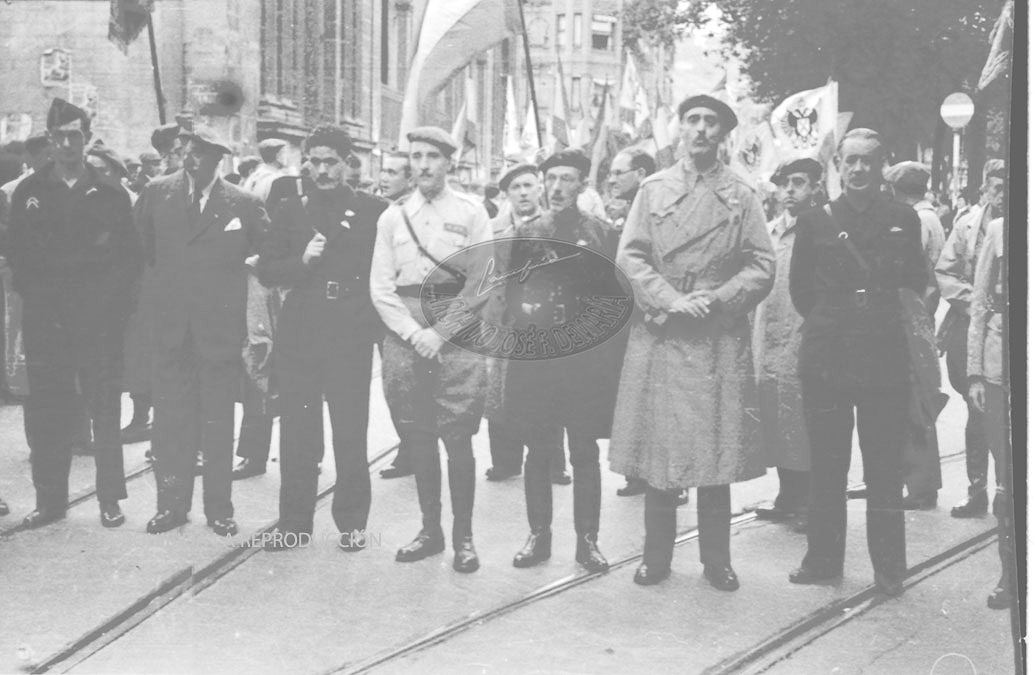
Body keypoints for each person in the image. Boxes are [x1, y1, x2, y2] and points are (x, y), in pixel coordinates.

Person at [610, 94, 774, 592]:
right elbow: (630, 257)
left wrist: (717, 299)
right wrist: (669, 299)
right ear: (680, 128)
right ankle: (656, 558)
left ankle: (716, 560)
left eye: (711, 122)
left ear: (723, 133)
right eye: (692, 120)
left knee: (715, 456)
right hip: (663, 333)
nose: (701, 129)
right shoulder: (652, 189)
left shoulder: (742, 195)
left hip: (716, 338)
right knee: (659, 453)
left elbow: (763, 264)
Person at [787, 128, 928, 597]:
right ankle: (823, 559)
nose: (859, 169)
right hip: (828, 356)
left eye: (868, 160)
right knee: (827, 465)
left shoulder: (903, 219)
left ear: (882, 165)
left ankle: (889, 568)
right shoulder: (814, 220)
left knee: (883, 468)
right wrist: (838, 319)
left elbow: (915, 281)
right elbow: (800, 290)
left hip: (884, 358)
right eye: (850, 161)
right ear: (838, 166)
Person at [7, 98, 143, 528]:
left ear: (87, 138)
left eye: (76, 136)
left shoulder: (110, 193)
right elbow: (20, 259)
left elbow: (128, 261)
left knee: (104, 408)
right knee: (48, 409)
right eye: (60, 136)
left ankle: (110, 499)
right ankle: (50, 500)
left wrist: (107, 309)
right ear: (49, 140)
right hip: (47, 319)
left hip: (97, 320)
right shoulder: (30, 192)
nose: (67, 144)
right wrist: (46, 301)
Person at [257, 125, 388, 550]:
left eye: (331, 162)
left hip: (349, 334)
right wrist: (301, 261)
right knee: (298, 432)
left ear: (350, 163)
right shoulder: (291, 209)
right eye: (313, 161)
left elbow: (382, 276)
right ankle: (293, 523)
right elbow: (268, 269)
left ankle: (351, 524)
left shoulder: (374, 211)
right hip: (302, 332)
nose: (321, 170)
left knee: (350, 430)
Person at [136, 125, 269, 537]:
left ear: (219, 159)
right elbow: (141, 251)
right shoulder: (158, 193)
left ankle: (219, 509)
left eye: (202, 154)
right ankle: (170, 507)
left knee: (216, 424)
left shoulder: (243, 203)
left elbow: (266, 251)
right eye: (187, 151)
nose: (191, 159)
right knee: (171, 425)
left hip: (218, 334)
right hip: (171, 331)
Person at [370, 126, 491, 573]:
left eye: (431, 157)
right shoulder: (392, 218)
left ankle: (464, 537)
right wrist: (411, 332)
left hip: (456, 336)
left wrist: (440, 333)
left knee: (457, 437)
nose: (422, 165)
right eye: (416, 156)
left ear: (448, 163)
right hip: (405, 337)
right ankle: (430, 530)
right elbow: (380, 287)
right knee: (417, 433)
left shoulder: (472, 213)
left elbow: (482, 283)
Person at [502, 149, 625, 573]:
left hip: (585, 362)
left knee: (584, 450)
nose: (556, 188)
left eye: (566, 180)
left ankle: (587, 540)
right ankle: (538, 535)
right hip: (539, 360)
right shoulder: (527, 233)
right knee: (537, 450)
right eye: (550, 178)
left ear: (582, 184)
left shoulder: (602, 234)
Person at [481, 163, 570, 487]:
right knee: (498, 391)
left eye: (529, 186)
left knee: (548, 391)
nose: (523, 193)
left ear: (540, 189)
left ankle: (554, 462)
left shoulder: (553, 227)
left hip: (542, 321)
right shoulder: (492, 229)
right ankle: (505, 461)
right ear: (506, 194)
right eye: (516, 187)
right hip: (502, 319)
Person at [753, 158, 824, 527]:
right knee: (774, 417)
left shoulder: (823, 229)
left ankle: (811, 500)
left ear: (816, 187)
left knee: (802, 420)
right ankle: (788, 494)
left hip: (804, 338)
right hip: (769, 337)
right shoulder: (768, 231)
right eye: (784, 184)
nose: (789, 191)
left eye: (799, 183)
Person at [935, 159, 1004, 519]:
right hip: (970, 325)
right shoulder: (966, 226)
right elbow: (944, 272)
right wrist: (975, 299)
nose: (1002, 194)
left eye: (1008, 186)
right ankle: (977, 489)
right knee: (976, 408)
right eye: (996, 187)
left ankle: (1006, 490)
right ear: (985, 188)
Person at [884, 161, 948, 510]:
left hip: (912, 315)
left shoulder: (917, 221)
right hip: (920, 314)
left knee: (915, 402)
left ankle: (921, 485)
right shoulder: (932, 217)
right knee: (913, 398)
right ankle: (910, 479)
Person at [604, 148, 657, 500]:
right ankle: (638, 471)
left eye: (618, 172)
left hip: (654, 316)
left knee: (659, 399)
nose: (611, 179)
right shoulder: (623, 214)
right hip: (626, 320)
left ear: (639, 174)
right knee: (634, 401)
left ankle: (669, 479)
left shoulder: (655, 209)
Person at [966, 214, 1012, 609]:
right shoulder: (999, 229)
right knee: (1008, 480)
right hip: (1003, 370)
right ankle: (1010, 576)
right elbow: (979, 302)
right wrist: (975, 373)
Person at [375, 150, 417, 480]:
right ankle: (410, 447)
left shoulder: (414, 212)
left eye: (392, 172)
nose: (384, 177)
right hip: (381, 309)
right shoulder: (384, 210)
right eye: (383, 171)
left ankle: (413, 451)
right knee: (396, 388)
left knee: (411, 387)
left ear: (410, 178)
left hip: (411, 311)